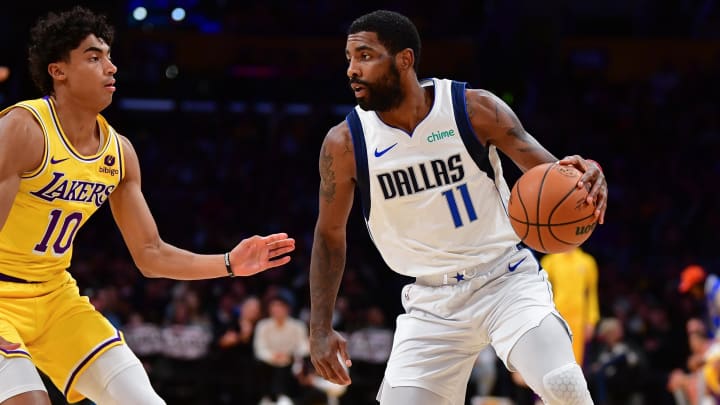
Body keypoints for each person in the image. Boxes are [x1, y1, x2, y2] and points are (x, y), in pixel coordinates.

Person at [308, 9, 607, 405]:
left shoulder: (474, 109)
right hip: (431, 303)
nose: (351, 70)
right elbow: (329, 236)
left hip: (506, 280)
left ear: (404, 59)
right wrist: (319, 328)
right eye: (348, 59)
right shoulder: (345, 144)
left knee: (563, 386)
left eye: (365, 56)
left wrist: (589, 174)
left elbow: (555, 177)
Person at [0, 7, 295, 405]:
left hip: (56, 299)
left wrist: (228, 263)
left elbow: (150, 255)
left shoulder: (119, 153)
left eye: (109, 56)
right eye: (94, 57)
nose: (111, 67)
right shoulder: (24, 129)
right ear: (59, 71)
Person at [540, 247, 600, 366]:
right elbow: (541, 293)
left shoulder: (587, 261)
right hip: (556, 317)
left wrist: (591, 320)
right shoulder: (550, 261)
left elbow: (591, 293)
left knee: (575, 363)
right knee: (553, 360)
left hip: (579, 320)